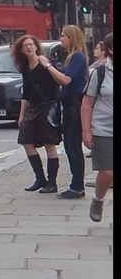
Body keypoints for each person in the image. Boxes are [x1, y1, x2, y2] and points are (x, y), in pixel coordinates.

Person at [13, 34, 62, 193]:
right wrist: (21, 115)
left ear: (36, 47)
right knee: (26, 141)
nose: (28, 47)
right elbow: (25, 93)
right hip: (33, 108)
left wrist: (48, 66)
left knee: (49, 144)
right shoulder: (25, 68)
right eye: (25, 45)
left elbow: (57, 84)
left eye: (31, 44)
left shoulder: (44, 63)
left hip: (47, 107)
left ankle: (52, 182)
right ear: (21, 50)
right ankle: (40, 178)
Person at [47, 25, 89, 198]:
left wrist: (48, 66)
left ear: (72, 38)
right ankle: (75, 184)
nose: (61, 38)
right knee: (70, 146)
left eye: (64, 36)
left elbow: (66, 80)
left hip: (74, 106)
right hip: (69, 106)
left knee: (73, 147)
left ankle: (77, 186)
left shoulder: (78, 56)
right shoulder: (71, 58)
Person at [81, 32, 112, 223]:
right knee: (108, 172)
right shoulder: (99, 72)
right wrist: (86, 131)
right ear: (110, 49)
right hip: (104, 129)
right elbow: (87, 103)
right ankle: (98, 200)